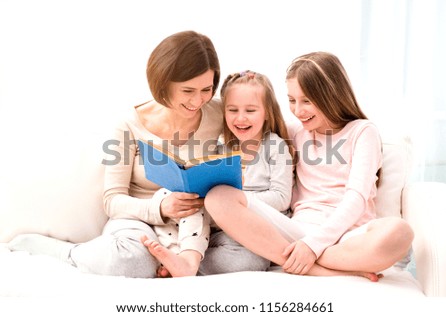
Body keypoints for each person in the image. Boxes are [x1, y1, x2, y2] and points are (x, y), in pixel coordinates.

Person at [7, 31, 265, 278]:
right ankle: (71, 253)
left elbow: (262, 132)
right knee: (129, 260)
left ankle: (176, 263)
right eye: (188, 91)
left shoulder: (220, 113)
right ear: (163, 82)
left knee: (253, 256)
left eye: (206, 89)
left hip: (198, 226)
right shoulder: (129, 125)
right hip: (142, 222)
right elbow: (112, 200)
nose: (198, 101)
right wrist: (160, 208)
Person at [204, 52, 414, 281]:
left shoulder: (362, 132)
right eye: (292, 100)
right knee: (218, 197)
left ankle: (306, 258)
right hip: (296, 232)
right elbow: (244, 112)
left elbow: (356, 199)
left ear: (331, 95)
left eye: (306, 101)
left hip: (348, 236)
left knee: (400, 232)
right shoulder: (294, 131)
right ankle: (322, 267)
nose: (298, 110)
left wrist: (313, 246)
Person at [143, 70, 295, 277]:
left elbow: (282, 198)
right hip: (215, 228)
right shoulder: (221, 147)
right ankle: (182, 254)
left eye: (250, 110)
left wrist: (240, 201)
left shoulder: (275, 146)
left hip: (252, 227)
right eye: (232, 110)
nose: (240, 118)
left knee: (249, 260)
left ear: (267, 112)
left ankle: (182, 264)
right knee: (168, 196)